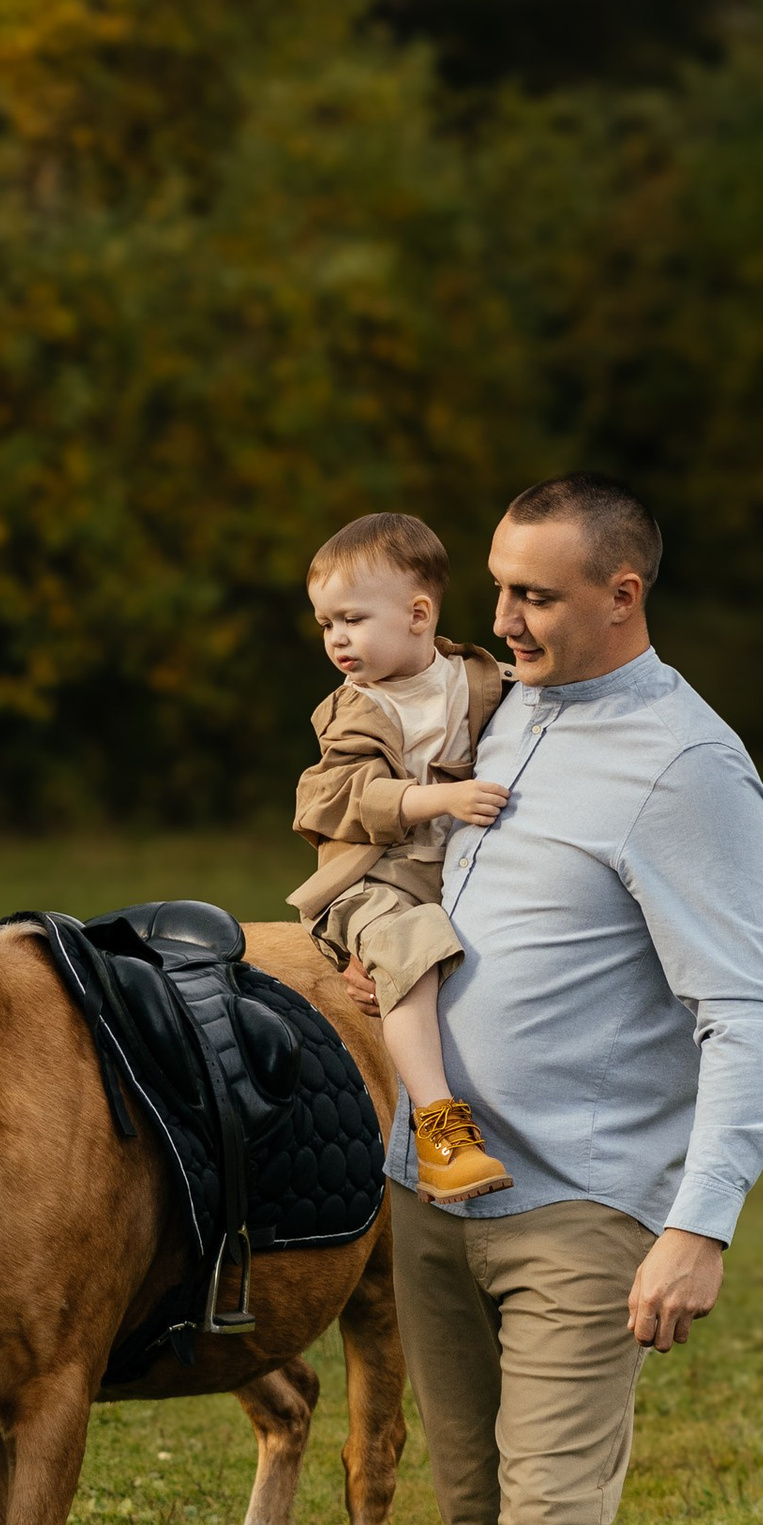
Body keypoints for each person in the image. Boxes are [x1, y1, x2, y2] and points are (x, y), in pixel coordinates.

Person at [347, 477, 763, 1525]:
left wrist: (698, 1226)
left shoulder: (686, 766)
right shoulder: (512, 714)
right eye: (497, 590)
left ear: (626, 595)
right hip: (438, 1191)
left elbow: (750, 1016)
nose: (502, 620)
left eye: (537, 596)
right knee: (475, 1518)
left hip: (585, 1212)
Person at [289, 510, 516, 1205]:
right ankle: (437, 1124)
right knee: (411, 949)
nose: (337, 639)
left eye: (352, 619)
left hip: (450, 870)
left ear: (419, 614)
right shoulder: (353, 709)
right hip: (373, 879)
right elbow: (356, 794)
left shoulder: (474, 677)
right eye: (327, 624)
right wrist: (440, 800)